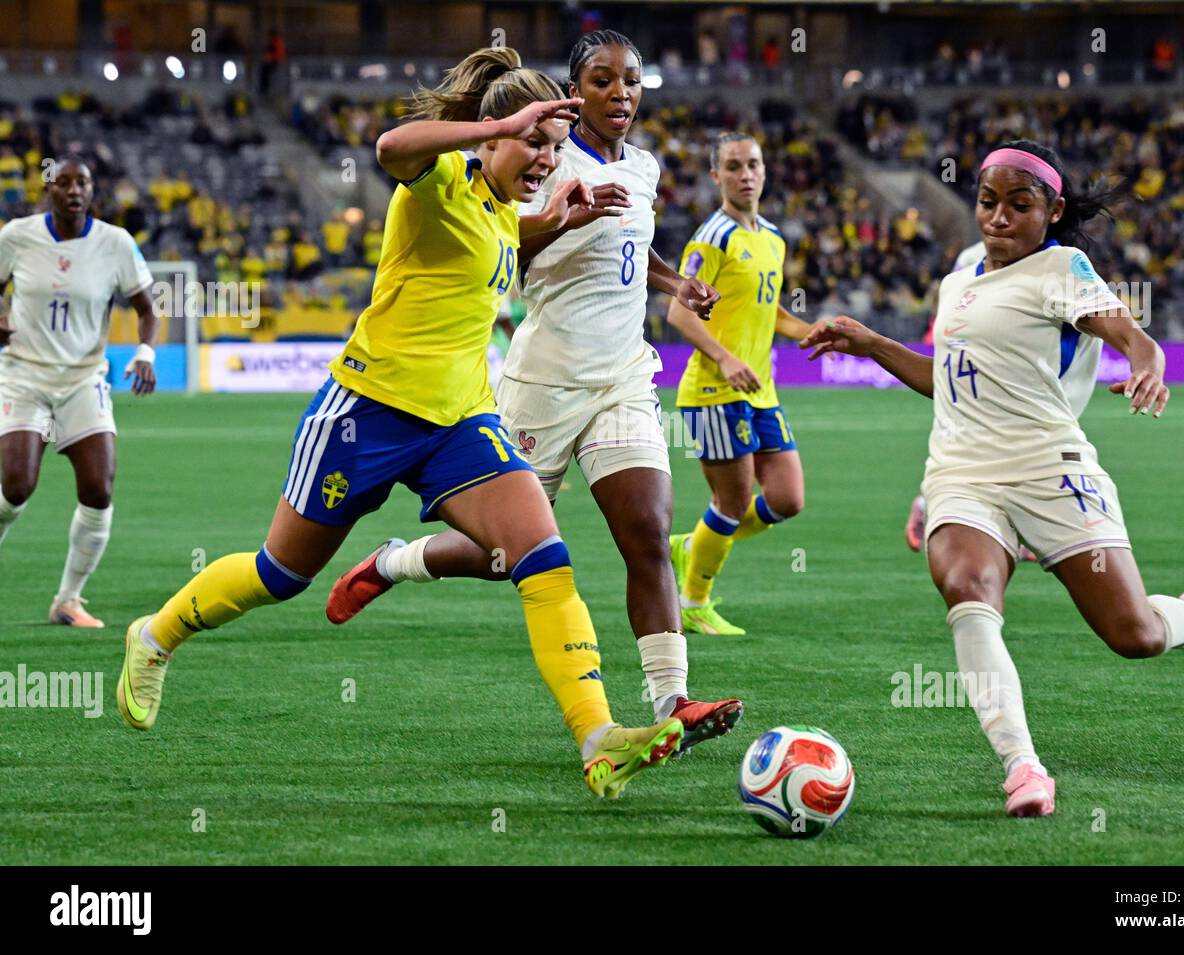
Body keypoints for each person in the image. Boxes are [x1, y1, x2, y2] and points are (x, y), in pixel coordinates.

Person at [115, 47, 684, 799]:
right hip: (366, 414)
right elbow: (390, 147)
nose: (546, 160)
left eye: (553, 147)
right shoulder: (440, 179)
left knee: (543, 556)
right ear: (490, 134)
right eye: (533, 143)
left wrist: (555, 216)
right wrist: (505, 124)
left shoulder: (505, 208)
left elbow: (499, 246)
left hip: (459, 422)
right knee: (280, 573)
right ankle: (156, 635)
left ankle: (598, 737)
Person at [801, 140, 1184, 817]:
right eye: (987, 201)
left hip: (1049, 469)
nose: (999, 217)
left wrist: (1149, 362)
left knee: (1136, 634)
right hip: (962, 471)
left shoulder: (1063, 268)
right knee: (967, 590)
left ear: (1052, 209)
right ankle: (1023, 766)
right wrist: (875, 344)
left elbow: (1131, 335)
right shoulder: (960, 279)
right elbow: (948, 385)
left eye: (1019, 204)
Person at [326, 31, 743, 754]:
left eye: (633, 81)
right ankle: (395, 559)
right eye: (604, 82)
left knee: (646, 528)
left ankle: (672, 699)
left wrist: (677, 283)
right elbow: (501, 245)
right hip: (543, 380)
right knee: (502, 555)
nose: (622, 95)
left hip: (621, 376)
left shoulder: (641, 167)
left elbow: (628, 248)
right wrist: (559, 219)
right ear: (573, 94)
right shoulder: (536, 153)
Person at [666, 132, 815, 636]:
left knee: (788, 498)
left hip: (760, 392)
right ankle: (693, 602)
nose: (745, 174)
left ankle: (695, 545)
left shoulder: (772, 237)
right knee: (731, 503)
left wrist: (808, 330)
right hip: (713, 391)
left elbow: (764, 309)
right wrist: (725, 358)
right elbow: (678, 313)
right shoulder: (712, 238)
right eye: (733, 167)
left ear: (766, 169)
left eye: (753, 164)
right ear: (716, 177)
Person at [0, 156, 159, 627]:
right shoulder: (16, 236)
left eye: (82, 182)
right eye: (63, 181)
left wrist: (145, 353)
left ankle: (68, 600)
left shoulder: (115, 243)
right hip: (23, 375)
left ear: (93, 191)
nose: (73, 189)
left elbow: (147, 309)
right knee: (17, 486)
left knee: (98, 488)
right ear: (48, 190)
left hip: (84, 378)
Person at [904, 239, 1036, 562]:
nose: (999, 218)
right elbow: (955, 313)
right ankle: (936, 505)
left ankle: (1027, 523)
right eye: (988, 202)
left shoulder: (1064, 260)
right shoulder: (972, 259)